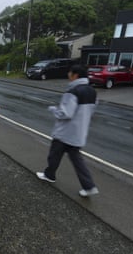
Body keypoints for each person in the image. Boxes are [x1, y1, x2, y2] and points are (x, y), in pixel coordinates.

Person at [36, 64, 99, 197]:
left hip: (65, 132)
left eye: (70, 73)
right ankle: (89, 186)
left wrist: (54, 109)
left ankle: (49, 175)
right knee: (77, 161)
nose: (68, 75)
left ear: (75, 75)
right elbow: (91, 112)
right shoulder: (92, 91)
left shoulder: (73, 92)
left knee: (54, 154)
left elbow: (65, 113)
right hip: (79, 133)